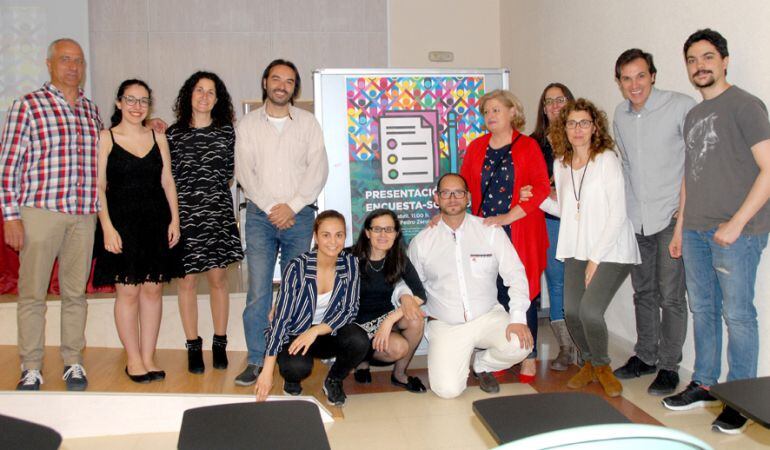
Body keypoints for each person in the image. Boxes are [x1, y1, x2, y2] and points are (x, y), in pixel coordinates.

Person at [663, 29, 770, 435]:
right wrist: (680, 226)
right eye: (692, 60)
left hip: (738, 233)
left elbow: (769, 167)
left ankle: (741, 397)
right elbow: (690, 177)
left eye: (707, 57)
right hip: (695, 231)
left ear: (725, 60)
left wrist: (738, 222)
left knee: (738, 315)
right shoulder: (693, 114)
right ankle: (705, 383)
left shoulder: (745, 106)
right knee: (703, 310)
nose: (699, 66)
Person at [1, 38, 100, 391]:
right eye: (65, 60)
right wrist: (11, 217)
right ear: (49, 64)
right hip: (40, 212)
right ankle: (31, 366)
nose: (73, 67)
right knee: (33, 294)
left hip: (83, 215)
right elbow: (8, 165)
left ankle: (73, 361)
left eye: (78, 61)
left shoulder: (91, 110)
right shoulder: (27, 106)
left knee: (75, 294)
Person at [234, 59, 329, 386]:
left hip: (300, 217)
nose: (282, 85)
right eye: (276, 79)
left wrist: (292, 206)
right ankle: (257, 359)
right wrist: (273, 207)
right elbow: (245, 172)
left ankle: (291, 363)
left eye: (289, 81)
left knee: (296, 290)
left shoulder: (308, 123)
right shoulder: (247, 125)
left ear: (294, 87)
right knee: (258, 292)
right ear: (265, 82)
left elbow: (318, 170)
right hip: (260, 216)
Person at [542, 98, 640, 398]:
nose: (578, 129)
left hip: (612, 250)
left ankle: (602, 366)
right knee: (570, 310)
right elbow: (568, 209)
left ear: (595, 127)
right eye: (571, 123)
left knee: (590, 311)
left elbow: (617, 214)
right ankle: (587, 363)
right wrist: (536, 198)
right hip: (577, 248)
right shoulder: (561, 163)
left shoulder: (606, 159)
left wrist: (596, 260)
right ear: (564, 128)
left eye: (584, 122)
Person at [611, 49, 696, 396]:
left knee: (671, 297)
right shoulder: (621, 114)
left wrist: (682, 215)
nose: (635, 85)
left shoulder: (680, 106)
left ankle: (668, 366)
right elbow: (627, 165)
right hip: (637, 221)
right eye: (627, 78)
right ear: (619, 83)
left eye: (640, 76)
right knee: (642, 292)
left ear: (653, 76)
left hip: (670, 217)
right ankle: (645, 355)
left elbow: (693, 164)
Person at [408, 173, 533, 399]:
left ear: (468, 197)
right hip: (446, 323)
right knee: (447, 390)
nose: (453, 198)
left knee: (521, 344)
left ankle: (483, 363)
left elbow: (515, 274)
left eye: (459, 193)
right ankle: (458, 359)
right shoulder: (422, 242)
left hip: (487, 317)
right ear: (436, 198)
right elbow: (409, 285)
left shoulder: (490, 231)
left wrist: (518, 318)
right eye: (446, 193)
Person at [93, 79, 184, 383]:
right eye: (130, 100)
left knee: (153, 289)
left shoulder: (158, 137)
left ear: (150, 105)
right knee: (128, 291)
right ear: (119, 103)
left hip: (156, 221)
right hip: (121, 225)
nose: (137, 106)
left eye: (143, 101)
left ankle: (148, 355)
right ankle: (133, 359)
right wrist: (106, 226)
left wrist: (175, 220)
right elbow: (99, 187)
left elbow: (167, 181)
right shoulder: (106, 137)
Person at [460, 89, 550, 383]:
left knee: (524, 291)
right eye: (486, 112)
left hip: (520, 229)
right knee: (493, 292)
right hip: (486, 232)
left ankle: (529, 355)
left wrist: (507, 217)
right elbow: (464, 189)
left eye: (497, 110)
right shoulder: (476, 148)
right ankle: (503, 351)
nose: (490, 116)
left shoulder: (528, 147)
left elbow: (539, 188)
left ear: (513, 112)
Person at [167, 71, 244, 374]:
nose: (204, 96)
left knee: (218, 281)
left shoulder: (227, 132)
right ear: (189, 95)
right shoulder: (172, 134)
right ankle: (192, 345)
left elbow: (228, 175)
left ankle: (220, 342)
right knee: (186, 283)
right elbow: (167, 179)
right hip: (184, 216)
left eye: (211, 92)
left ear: (218, 99)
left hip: (217, 215)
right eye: (199, 90)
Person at [255, 210, 368, 406]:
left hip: (326, 332)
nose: (333, 241)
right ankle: (291, 380)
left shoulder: (350, 264)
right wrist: (267, 370)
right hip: (296, 333)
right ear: (315, 236)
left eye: (339, 235)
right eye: (326, 235)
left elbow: (349, 310)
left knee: (359, 340)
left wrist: (316, 330)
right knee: (296, 367)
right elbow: (281, 319)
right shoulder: (297, 267)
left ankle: (334, 379)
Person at [350, 209, 427, 393]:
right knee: (357, 341)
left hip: (383, 325)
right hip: (354, 327)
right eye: (377, 229)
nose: (383, 235)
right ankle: (361, 361)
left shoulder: (399, 260)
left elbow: (420, 295)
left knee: (415, 318)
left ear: (396, 233)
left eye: (389, 229)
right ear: (367, 233)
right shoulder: (350, 257)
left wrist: (389, 320)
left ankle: (400, 375)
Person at [530, 82, 577, 372]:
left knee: (582, 283)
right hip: (549, 222)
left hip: (583, 223)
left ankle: (585, 342)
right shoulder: (534, 142)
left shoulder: (582, 136)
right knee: (557, 281)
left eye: (560, 100)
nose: (554, 106)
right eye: (548, 102)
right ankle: (565, 348)